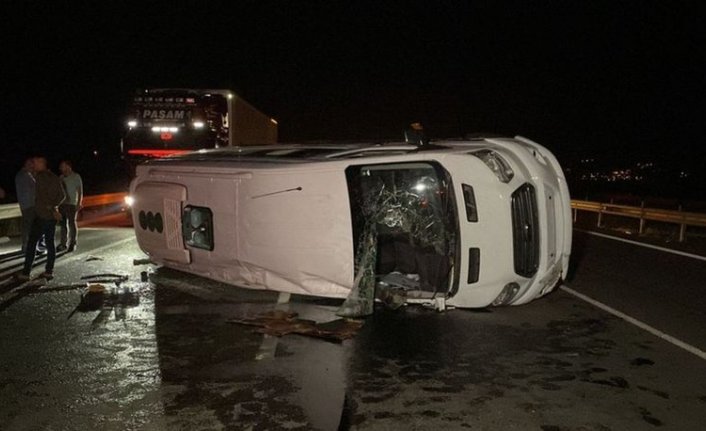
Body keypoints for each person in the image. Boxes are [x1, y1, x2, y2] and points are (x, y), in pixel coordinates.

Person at [17, 157, 65, 281]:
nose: (34, 164)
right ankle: (49, 271)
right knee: (50, 243)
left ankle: (26, 272)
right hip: (50, 217)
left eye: (36, 162)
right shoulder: (54, 177)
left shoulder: (40, 177)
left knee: (32, 243)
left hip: (41, 216)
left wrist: (50, 206)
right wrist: (54, 206)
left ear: (43, 163)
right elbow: (62, 195)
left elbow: (41, 195)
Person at [57, 160, 83, 252]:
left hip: (72, 203)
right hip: (62, 204)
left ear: (68, 166)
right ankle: (63, 244)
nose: (61, 168)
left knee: (72, 223)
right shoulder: (61, 178)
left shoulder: (76, 177)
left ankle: (72, 243)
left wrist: (79, 203)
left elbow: (80, 191)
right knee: (63, 224)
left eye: (63, 166)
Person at [14, 158, 37, 254]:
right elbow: (35, 188)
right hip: (29, 205)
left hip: (25, 205)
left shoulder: (20, 175)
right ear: (27, 164)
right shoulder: (25, 175)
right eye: (31, 164)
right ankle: (29, 247)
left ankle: (25, 246)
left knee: (26, 226)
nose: (33, 166)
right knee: (31, 227)